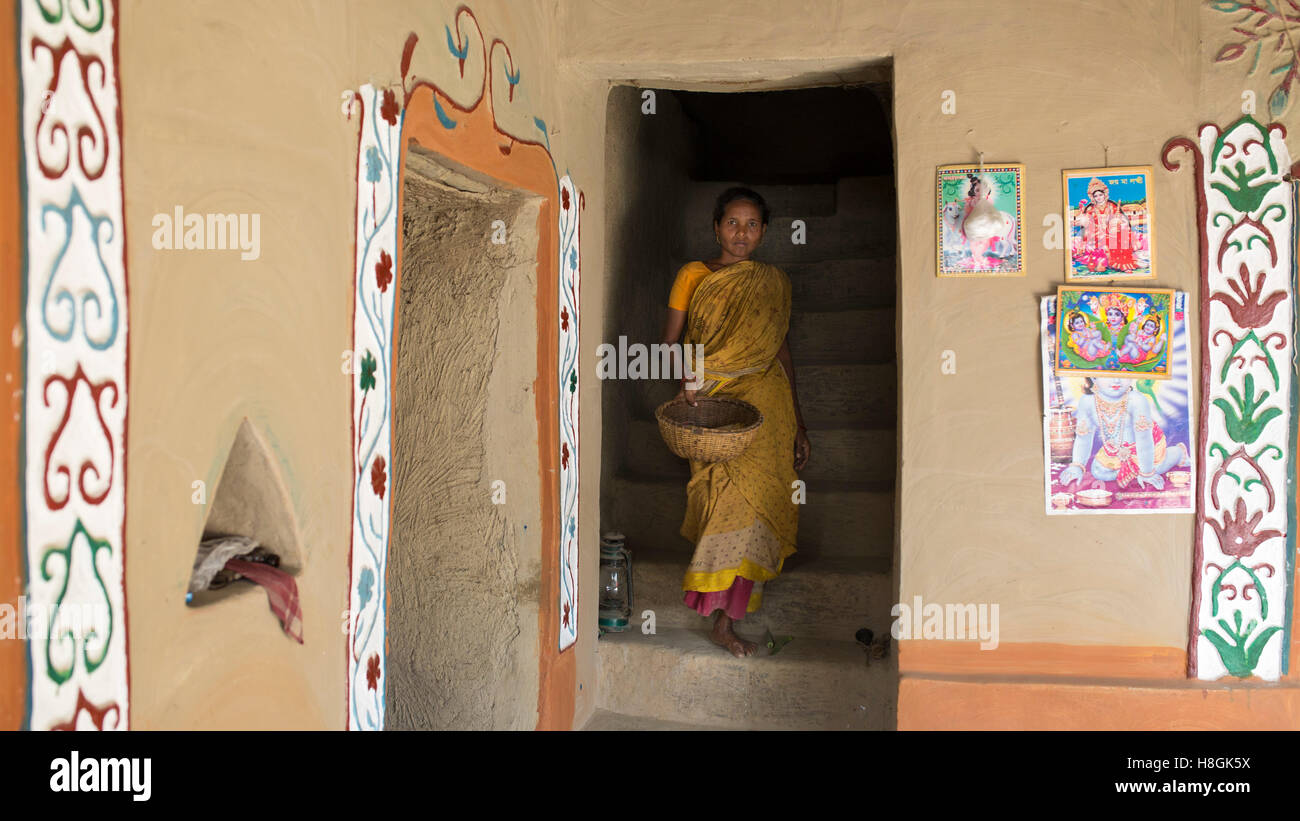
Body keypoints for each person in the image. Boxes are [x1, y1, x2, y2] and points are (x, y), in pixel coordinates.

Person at [660, 187, 810, 658]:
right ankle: (716, 603)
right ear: (716, 227)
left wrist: (799, 422)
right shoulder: (694, 274)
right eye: (732, 223)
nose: (740, 233)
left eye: (751, 225)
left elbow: (780, 350)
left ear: (763, 231)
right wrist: (686, 382)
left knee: (757, 508)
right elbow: (670, 341)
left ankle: (726, 622)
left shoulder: (773, 281)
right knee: (718, 501)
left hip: (767, 403)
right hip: (711, 399)